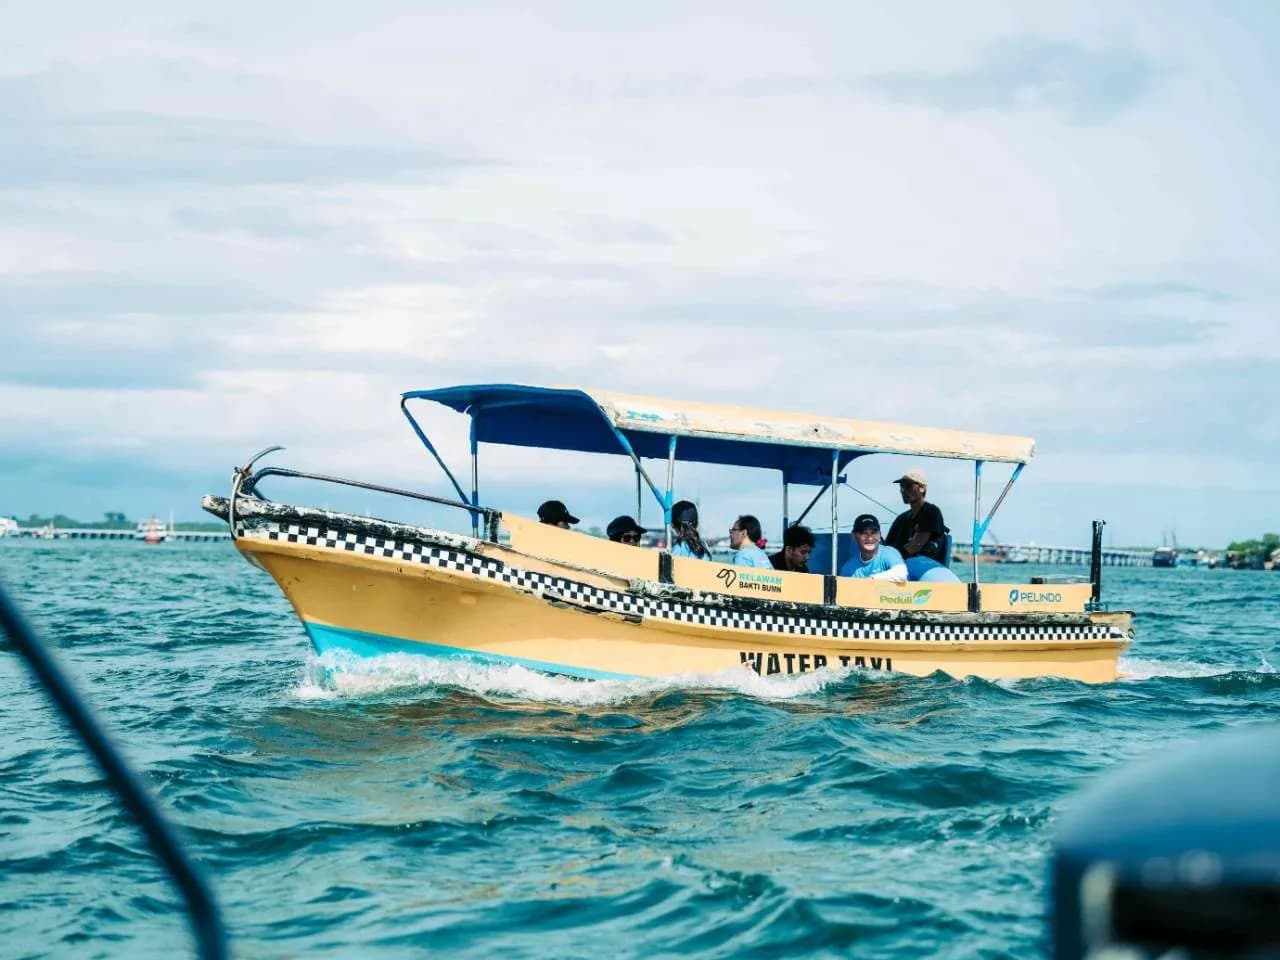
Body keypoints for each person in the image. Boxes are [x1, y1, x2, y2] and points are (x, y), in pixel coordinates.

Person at [884, 469, 949, 563]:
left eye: (908, 486)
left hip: (925, 567)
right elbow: (887, 546)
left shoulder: (931, 512)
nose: (903, 490)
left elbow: (914, 547)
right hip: (902, 565)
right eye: (901, 486)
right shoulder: (902, 518)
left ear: (922, 488)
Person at [839, 514, 907, 580]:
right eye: (864, 533)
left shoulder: (889, 553)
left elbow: (901, 573)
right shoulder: (848, 568)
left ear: (880, 535)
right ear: (854, 536)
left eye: (873, 533)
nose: (870, 538)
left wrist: (871, 579)